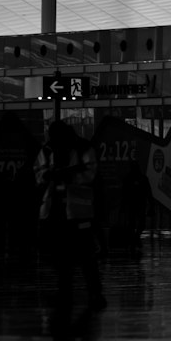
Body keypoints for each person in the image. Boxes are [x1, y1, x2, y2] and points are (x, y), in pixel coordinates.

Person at [34, 119, 106, 320]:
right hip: (57, 212)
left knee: (85, 257)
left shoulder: (82, 148)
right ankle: (68, 293)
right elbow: (38, 172)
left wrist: (65, 177)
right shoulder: (48, 150)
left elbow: (90, 173)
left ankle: (92, 293)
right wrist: (49, 175)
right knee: (63, 258)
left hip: (77, 211)